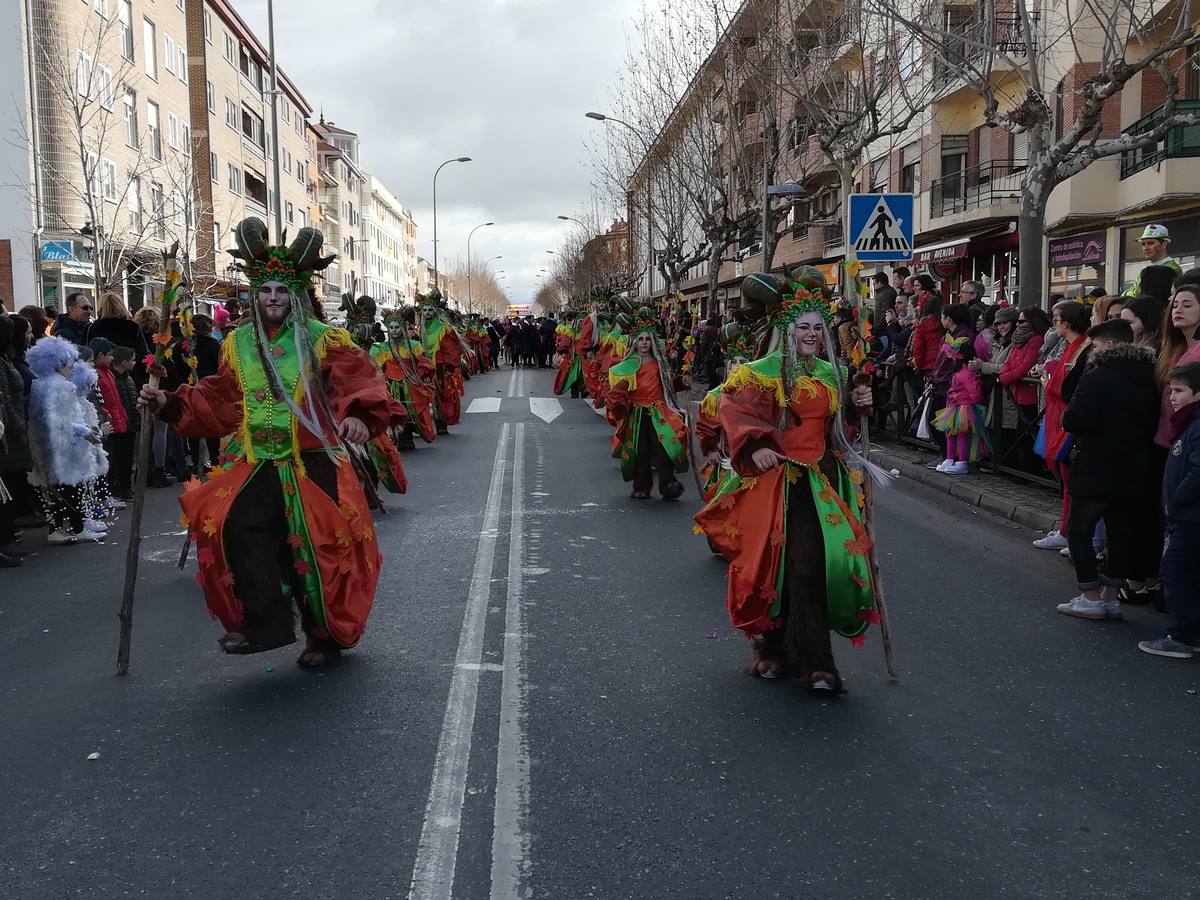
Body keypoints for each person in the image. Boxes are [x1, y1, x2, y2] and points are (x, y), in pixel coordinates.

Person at [137, 219, 405, 668]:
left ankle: (323, 637)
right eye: (266, 291)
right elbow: (221, 397)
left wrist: (358, 415)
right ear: (255, 296)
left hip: (312, 460)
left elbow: (355, 379)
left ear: (297, 295)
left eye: (283, 290)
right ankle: (266, 624)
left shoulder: (324, 339)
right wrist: (167, 401)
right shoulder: (237, 343)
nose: (274, 298)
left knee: (315, 546)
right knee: (239, 528)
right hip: (257, 459)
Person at [694, 268, 879, 694]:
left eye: (818, 327)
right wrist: (754, 443)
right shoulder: (761, 371)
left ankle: (817, 661)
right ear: (787, 329)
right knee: (778, 568)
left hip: (822, 479)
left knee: (813, 567)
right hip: (778, 480)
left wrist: (856, 406)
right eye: (804, 327)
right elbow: (732, 407)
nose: (812, 334)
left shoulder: (833, 374)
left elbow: (841, 432)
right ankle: (772, 649)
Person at [1055, 319, 1159, 621]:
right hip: (1134, 465)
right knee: (1121, 532)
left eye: (1096, 345)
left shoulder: (1098, 377)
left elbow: (1074, 419)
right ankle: (1111, 596)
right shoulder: (1148, 377)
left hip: (1097, 463)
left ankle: (1089, 597)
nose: (1093, 351)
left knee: (1079, 530)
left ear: (1110, 345)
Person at [1138, 362, 1200, 657]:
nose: (1172, 397)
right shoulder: (1188, 423)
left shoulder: (1196, 426)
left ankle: (1180, 636)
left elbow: (1197, 472)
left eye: (1179, 391)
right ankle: (1191, 631)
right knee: (1187, 574)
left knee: (1174, 572)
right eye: (1170, 390)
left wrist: (1175, 501)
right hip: (1185, 514)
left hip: (1190, 516)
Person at [26, 337, 104, 544]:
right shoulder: (61, 386)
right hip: (65, 447)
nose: (72, 369)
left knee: (55, 489)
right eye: (70, 364)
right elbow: (63, 420)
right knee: (72, 487)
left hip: (47, 446)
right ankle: (78, 527)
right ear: (59, 364)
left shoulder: (38, 385)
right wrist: (84, 430)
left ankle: (57, 528)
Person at [605, 307, 688, 500]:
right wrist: (618, 406)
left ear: (652, 341)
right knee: (640, 451)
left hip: (659, 411)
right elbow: (618, 391)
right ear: (634, 342)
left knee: (665, 448)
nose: (644, 343)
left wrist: (680, 382)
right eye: (640, 339)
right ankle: (641, 486)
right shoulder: (628, 364)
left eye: (647, 339)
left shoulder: (660, 362)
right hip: (637, 413)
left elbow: (667, 385)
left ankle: (668, 485)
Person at [1033, 301, 1092, 551]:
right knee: (1067, 479)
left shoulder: (1081, 346)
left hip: (1068, 419)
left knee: (1071, 480)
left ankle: (1069, 532)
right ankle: (1066, 529)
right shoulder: (1071, 346)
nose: (1053, 323)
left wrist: (1048, 379)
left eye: (1056, 319)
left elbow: (1066, 387)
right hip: (1061, 418)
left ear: (1066, 322)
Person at [371, 306, 436, 450]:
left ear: (403, 328)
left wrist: (424, 375)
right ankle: (398, 439)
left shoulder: (414, 346)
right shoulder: (382, 349)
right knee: (394, 412)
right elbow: (376, 369)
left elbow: (424, 364)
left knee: (410, 412)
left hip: (410, 385)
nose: (394, 330)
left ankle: (408, 438)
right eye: (391, 327)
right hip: (391, 386)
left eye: (397, 327)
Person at [933, 335, 989, 474]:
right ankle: (950, 458)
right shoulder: (961, 373)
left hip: (963, 408)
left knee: (961, 435)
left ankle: (962, 461)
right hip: (956, 407)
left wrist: (964, 399)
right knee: (950, 433)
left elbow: (975, 392)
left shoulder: (966, 374)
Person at [87, 292, 151, 362]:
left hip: (103, 368)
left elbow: (89, 351)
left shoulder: (94, 327)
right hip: (130, 367)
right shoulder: (133, 327)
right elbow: (143, 353)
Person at [1122, 224, 1182, 296]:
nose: (1145, 248)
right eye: (1143, 244)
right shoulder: (1152, 269)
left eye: (1150, 243)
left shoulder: (1170, 269)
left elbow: (1136, 294)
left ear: (1164, 244)